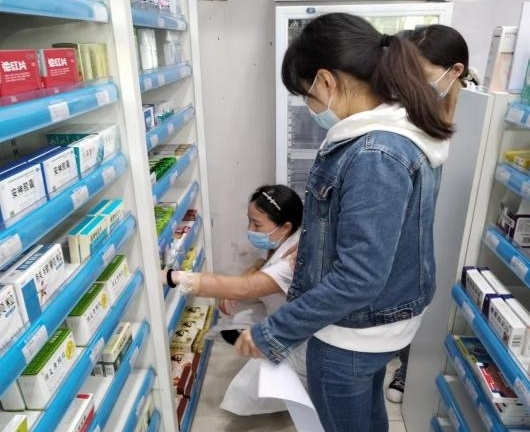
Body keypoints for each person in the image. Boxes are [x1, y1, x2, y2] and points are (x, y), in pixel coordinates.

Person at [234, 13, 453, 432]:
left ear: (326, 81)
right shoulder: (400, 132)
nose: (311, 108)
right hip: (375, 327)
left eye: (307, 96)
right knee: (368, 419)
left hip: (349, 335)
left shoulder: (375, 153)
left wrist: (273, 331)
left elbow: (359, 277)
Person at [386, 24, 479, 404]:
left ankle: (412, 369)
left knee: (439, 308)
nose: (412, 87)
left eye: (421, 76)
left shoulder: (477, 114)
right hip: (417, 226)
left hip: (457, 226)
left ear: (455, 70)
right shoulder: (408, 112)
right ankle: (407, 362)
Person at [163, 184, 306, 415]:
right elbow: (264, 266)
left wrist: (174, 277)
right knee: (233, 328)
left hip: (299, 342)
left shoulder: (292, 261)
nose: (250, 229)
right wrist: (251, 270)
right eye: (249, 221)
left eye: (257, 225)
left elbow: (246, 288)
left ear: (286, 227)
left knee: (257, 390)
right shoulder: (288, 240)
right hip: (280, 316)